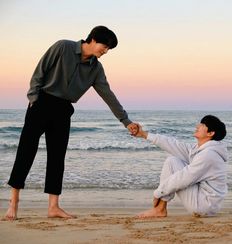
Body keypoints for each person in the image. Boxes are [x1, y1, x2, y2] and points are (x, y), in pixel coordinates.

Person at [5, 26, 139, 220]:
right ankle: (13, 204)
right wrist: (34, 98)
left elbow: (107, 94)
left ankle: (53, 207)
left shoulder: (96, 68)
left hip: (63, 110)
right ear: (92, 39)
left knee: (57, 157)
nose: (106, 51)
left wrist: (125, 121)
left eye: (109, 49)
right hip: (42, 103)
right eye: (105, 46)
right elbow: (39, 71)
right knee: (26, 151)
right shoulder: (63, 47)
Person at [134, 115, 227, 218]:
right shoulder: (199, 149)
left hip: (204, 205)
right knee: (173, 160)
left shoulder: (208, 155)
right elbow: (172, 144)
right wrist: (143, 134)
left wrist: (158, 193)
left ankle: (160, 209)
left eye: (203, 124)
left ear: (210, 133)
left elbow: (183, 179)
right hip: (203, 199)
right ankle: (160, 209)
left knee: (173, 164)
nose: (198, 126)